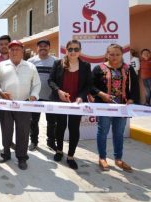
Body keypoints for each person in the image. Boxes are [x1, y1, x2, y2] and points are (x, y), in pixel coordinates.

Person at [91, 44, 139, 172]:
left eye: (117, 54)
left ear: (122, 55)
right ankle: (102, 158)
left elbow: (135, 87)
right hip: (104, 106)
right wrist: (101, 94)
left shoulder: (128, 69)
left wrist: (131, 99)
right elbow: (90, 86)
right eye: (111, 54)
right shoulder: (98, 68)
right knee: (103, 131)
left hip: (122, 107)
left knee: (118, 133)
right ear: (107, 54)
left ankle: (118, 159)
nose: (114, 57)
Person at [0, 40, 41, 170]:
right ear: (8, 52)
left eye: (17, 49)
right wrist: (0, 93)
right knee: (6, 130)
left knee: (23, 131)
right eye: (12, 49)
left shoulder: (30, 66)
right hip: (5, 104)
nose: (14, 51)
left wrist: (34, 95)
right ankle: (5, 153)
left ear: (22, 51)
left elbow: (36, 84)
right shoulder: (1, 66)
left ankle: (22, 157)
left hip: (24, 105)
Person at [48, 40, 91, 170]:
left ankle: (71, 156)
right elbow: (51, 81)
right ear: (66, 50)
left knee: (74, 129)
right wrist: (58, 91)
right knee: (60, 127)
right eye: (70, 49)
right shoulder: (58, 63)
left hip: (76, 103)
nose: (73, 52)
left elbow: (88, 85)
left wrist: (80, 97)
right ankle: (59, 151)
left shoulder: (85, 66)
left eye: (76, 49)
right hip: (60, 101)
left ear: (80, 51)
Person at [27, 39, 57, 151]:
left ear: (49, 48)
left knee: (52, 122)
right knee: (33, 121)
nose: (43, 48)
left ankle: (51, 142)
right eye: (40, 46)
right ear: (37, 48)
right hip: (35, 97)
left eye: (45, 46)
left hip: (51, 97)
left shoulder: (56, 61)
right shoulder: (30, 61)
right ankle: (34, 141)